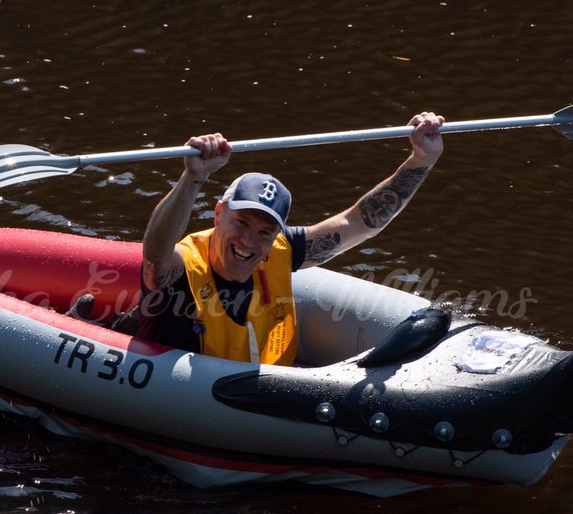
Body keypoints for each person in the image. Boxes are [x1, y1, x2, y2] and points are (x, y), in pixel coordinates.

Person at [138, 112, 445, 365]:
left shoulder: (282, 249)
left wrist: (421, 159)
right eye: (241, 223)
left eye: (264, 232)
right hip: (177, 393)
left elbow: (361, 220)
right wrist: (193, 178)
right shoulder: (181, 269)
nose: (248, 241)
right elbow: (155, 252)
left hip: (264, 394)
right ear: (218, 214)